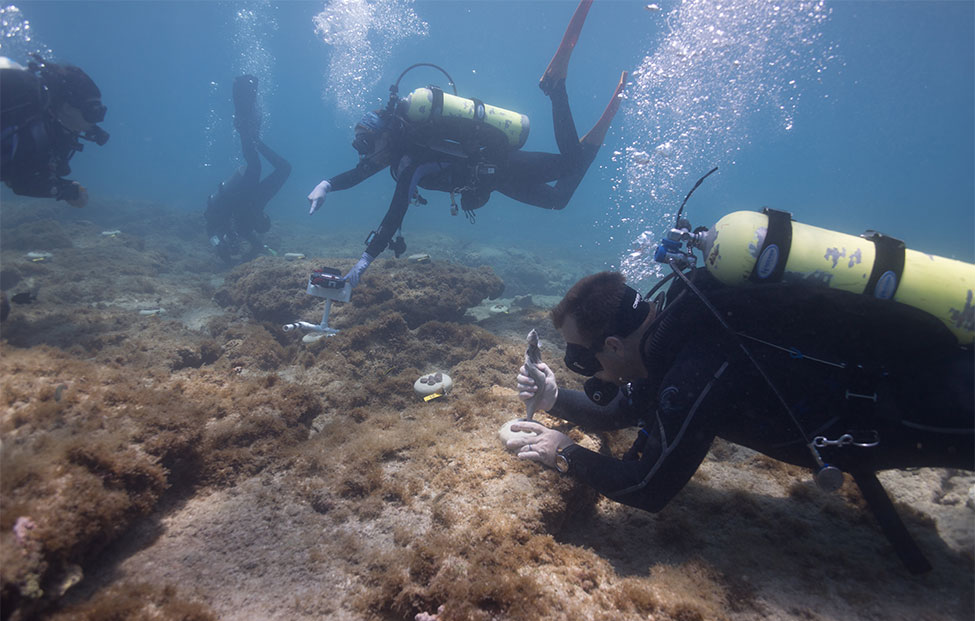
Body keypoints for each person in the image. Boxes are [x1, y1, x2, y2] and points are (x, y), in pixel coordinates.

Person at [508, 270, 974, 573]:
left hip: (923, 408)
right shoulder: (678, 329)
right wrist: (554, 398)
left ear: (612, 346)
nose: (580, 369)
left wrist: (563, 452)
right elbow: (623, 409)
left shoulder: (695, 367)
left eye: (579, 358)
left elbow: (647, 488)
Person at [306, 0, 627, 288]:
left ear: (386, 136)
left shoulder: (410, 162)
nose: (370, 158)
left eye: (369, 147)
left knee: (570, 164)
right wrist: (326, 185)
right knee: (559, 199)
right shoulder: (403, 151)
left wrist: (364, 262)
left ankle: (555, 87)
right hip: (495, 178)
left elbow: (395, 213)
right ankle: (590, 140)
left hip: (500, 165)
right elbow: (360, 173)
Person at [0, 54, 110, 207]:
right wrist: (64, 190)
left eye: (101, 112)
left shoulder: (54, 126)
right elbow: (19, 179)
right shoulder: (26, 121)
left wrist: (64, 189)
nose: (98, 120)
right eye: (92, 111)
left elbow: (22, 178)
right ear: (66, 108)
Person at [206, 74, 291, 263]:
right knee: (283, 169)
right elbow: (255, 243)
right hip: (252, 197)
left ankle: (247, 132)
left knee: (255, 167)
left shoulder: (230, 226)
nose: (261, 218)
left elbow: (211, 231)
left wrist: (220, 246)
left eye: (259, 221)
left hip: (237, 196)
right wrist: (257, 250)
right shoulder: (249, 222)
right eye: (263, 219)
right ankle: (254, 139)